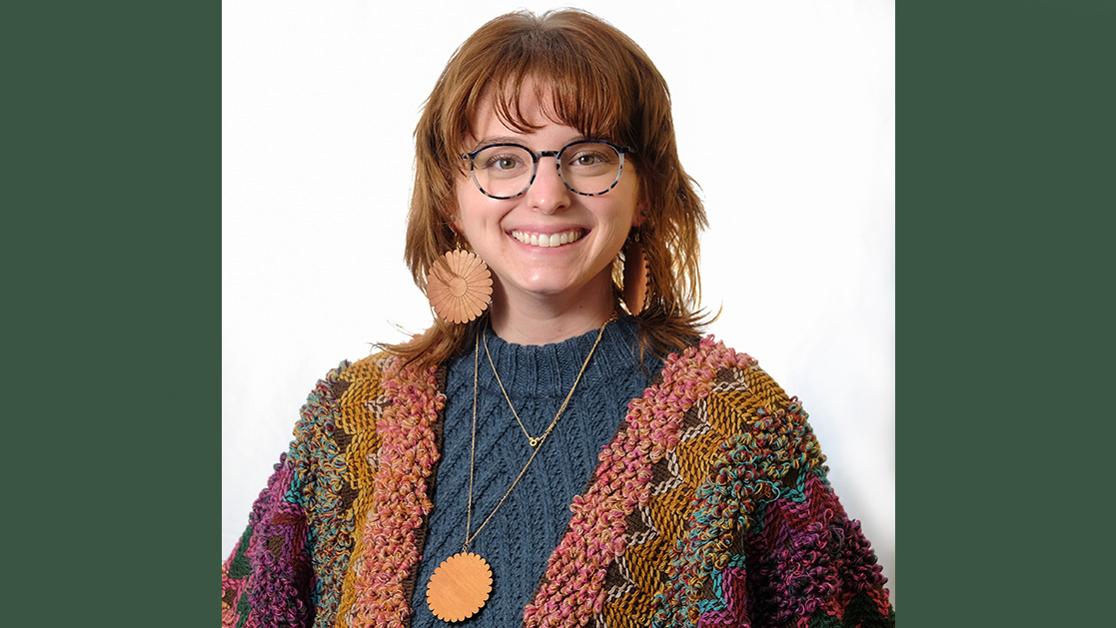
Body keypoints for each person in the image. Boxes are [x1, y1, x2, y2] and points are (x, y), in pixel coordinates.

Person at [222, 9, 894, 627]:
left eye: (589, 157)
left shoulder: (739, 428)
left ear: (647, 195)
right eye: (504, 160)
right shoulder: (350, 420)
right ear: (452, 199)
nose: (547, 194)